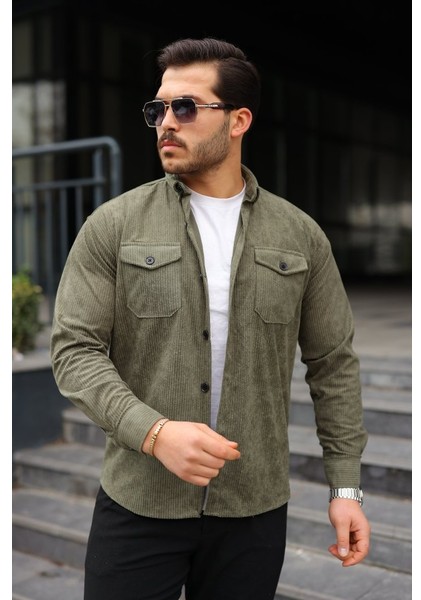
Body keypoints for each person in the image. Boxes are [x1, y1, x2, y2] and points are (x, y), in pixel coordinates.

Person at [50, 37, 370, 600]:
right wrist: (154, 433)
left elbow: (333, 364)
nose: (166, 123)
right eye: (158, 109)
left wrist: (345, 488)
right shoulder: (113, 225)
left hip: (252, 509)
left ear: (238, 120)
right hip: (139, 500)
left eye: (186, 107)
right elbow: (74, 351)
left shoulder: (300, 236)